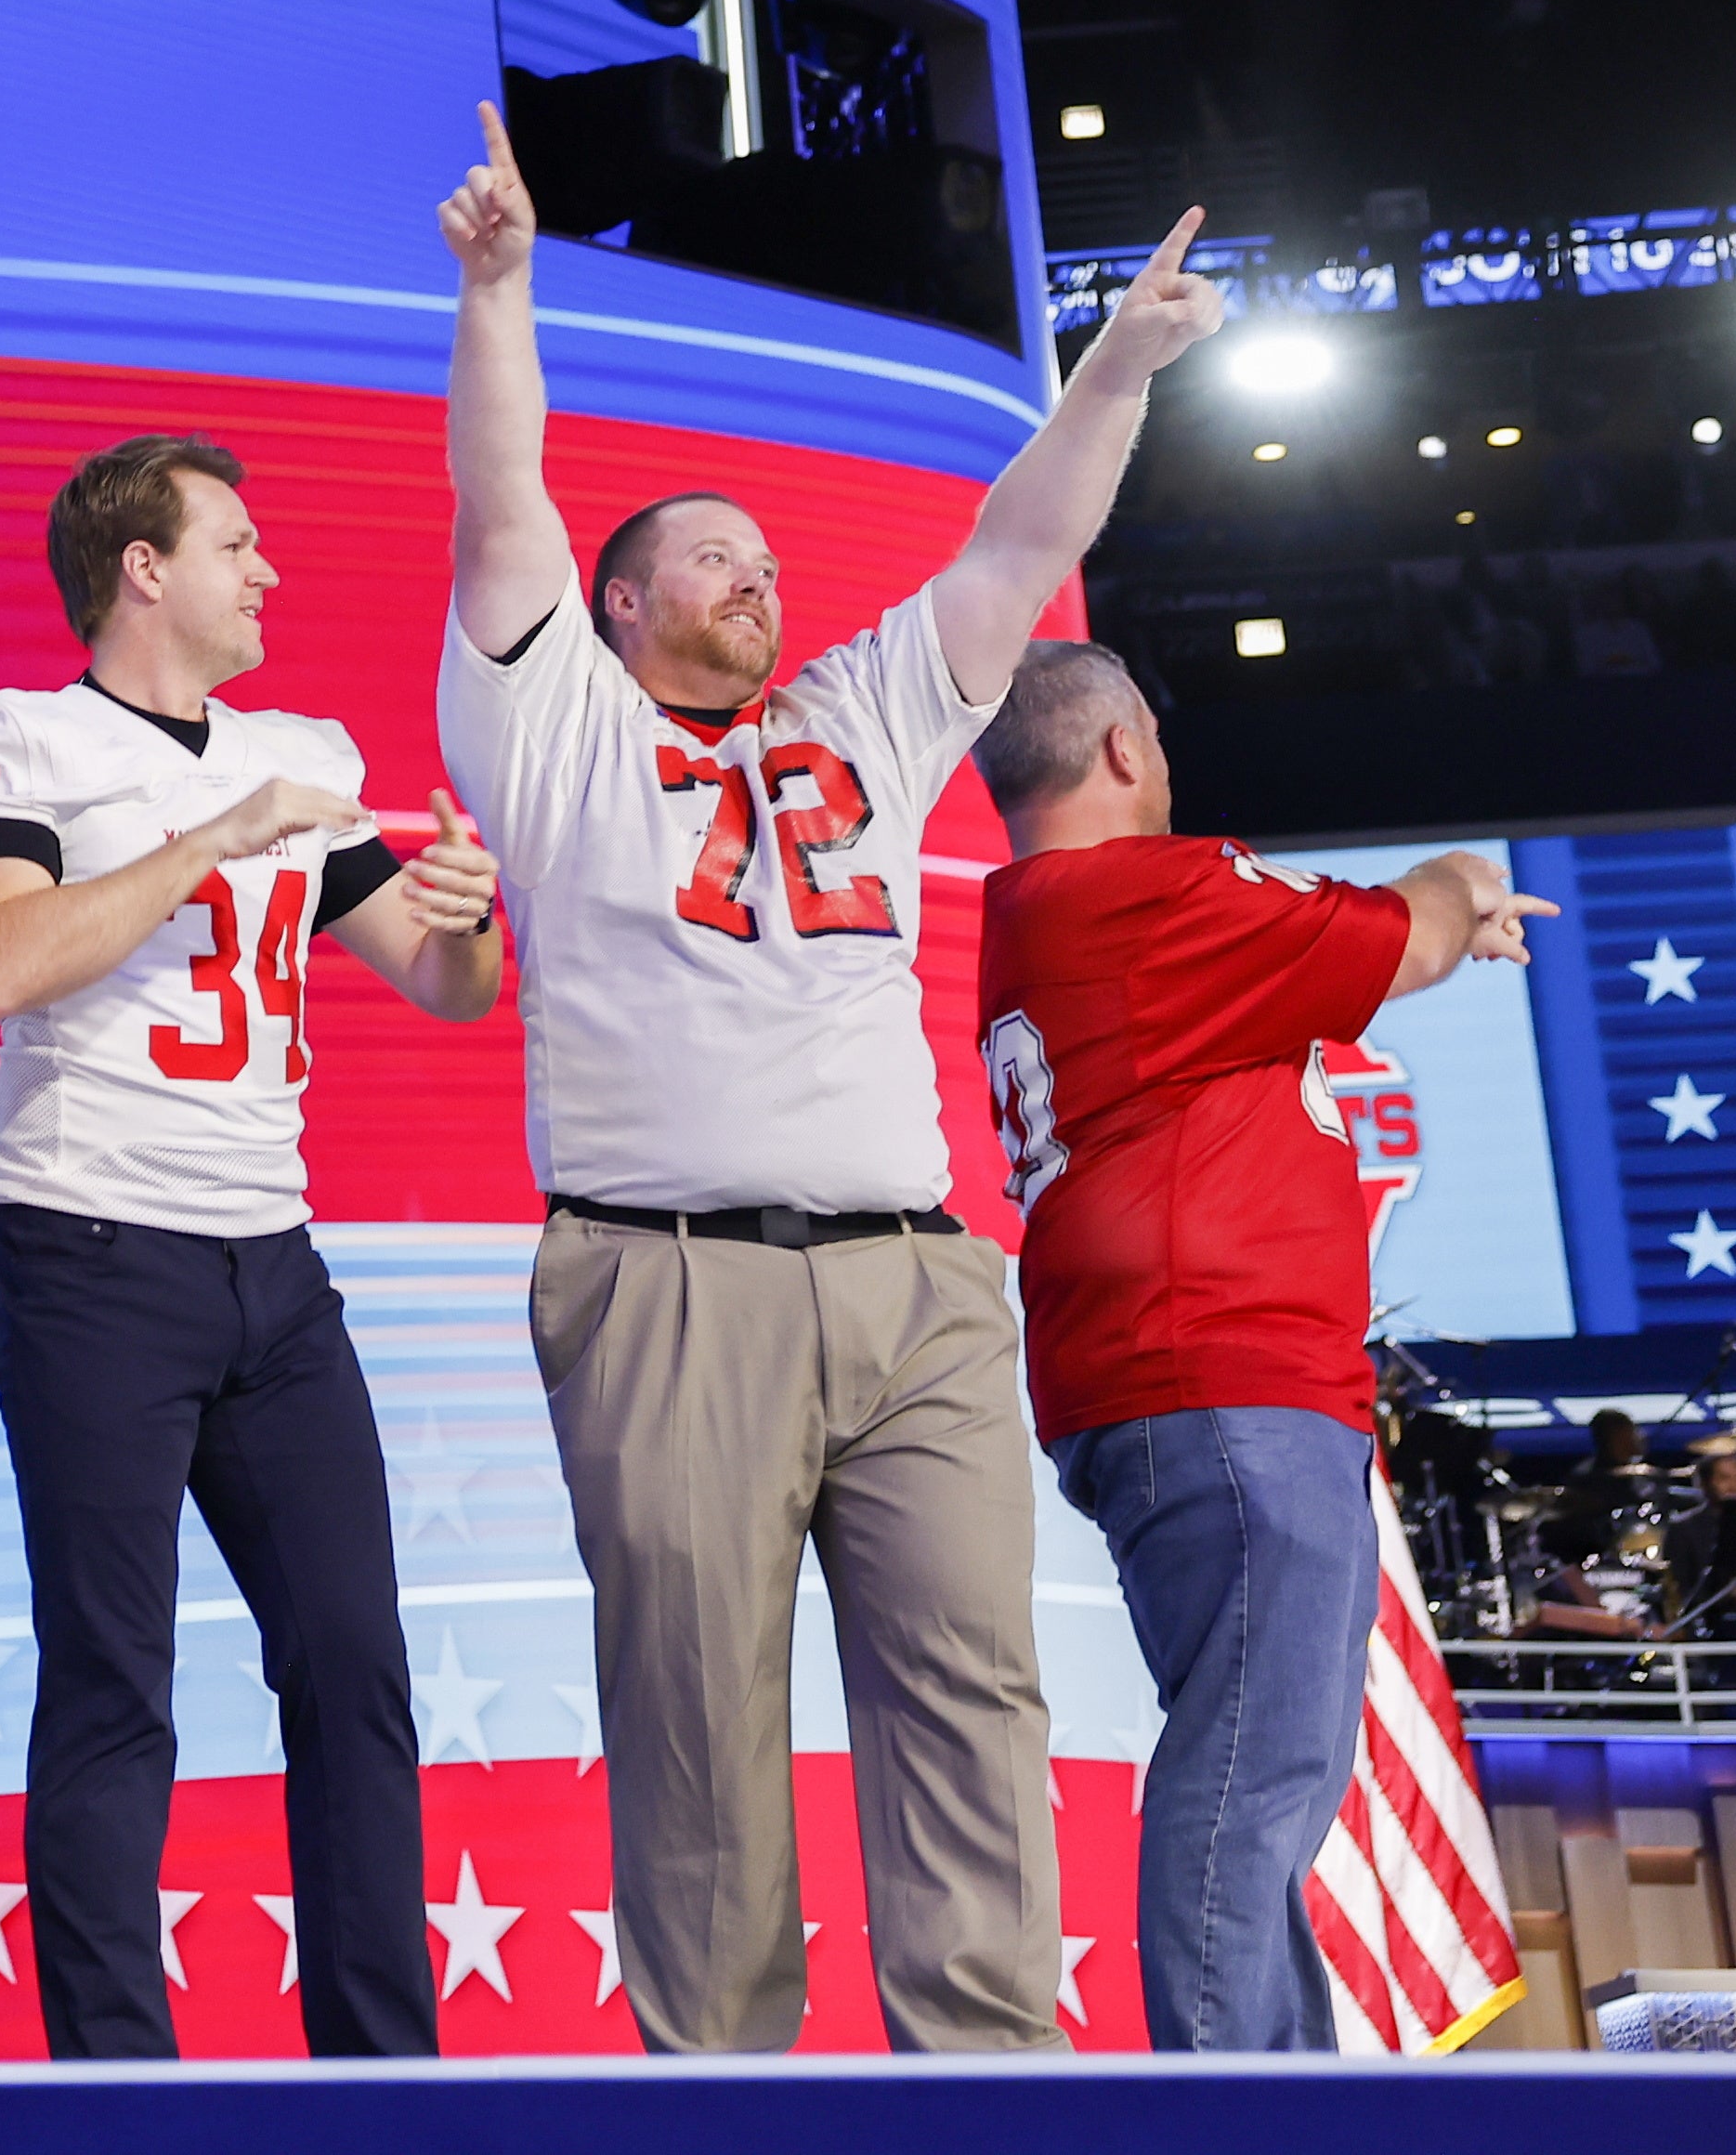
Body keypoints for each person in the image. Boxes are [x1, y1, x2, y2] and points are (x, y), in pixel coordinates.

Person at [430, 104, 1217, 2054]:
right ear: (616, 608)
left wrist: (1110, 367)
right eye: (711, 558)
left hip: (917, 1276)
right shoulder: (550, 732)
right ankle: (722, 2090)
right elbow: (504, 502)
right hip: (669, 1271)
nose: (754, 578)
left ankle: (992, 2084)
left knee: (973, 1685)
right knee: (695, 1718)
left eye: (766, 557)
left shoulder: (864, 705)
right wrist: (504, 290)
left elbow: (1030, 534)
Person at [0, 434, 508, 2060]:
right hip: (93, 1251)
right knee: (115, 1684)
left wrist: (468, 905)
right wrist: (209, 839)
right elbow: (1, 964)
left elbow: (446, 989)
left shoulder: (301, 748)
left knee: (356, 1669)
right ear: (142, 567)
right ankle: (116, 2085)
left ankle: (384, 2072)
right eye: (237, 545)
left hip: (276, 1265)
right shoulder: (8, 733)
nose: (271, 574)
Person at [968, 640, 1533, 2051]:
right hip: (1224, 1378)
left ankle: (1275, 2084)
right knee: (1253, 1770)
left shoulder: (1058, 916)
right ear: (1120, 750)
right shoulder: (1157, 892)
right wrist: (1466, 881)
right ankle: (1240, 2109)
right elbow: (1406, 930)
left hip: (1177, 1384)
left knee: (1263, 1761)